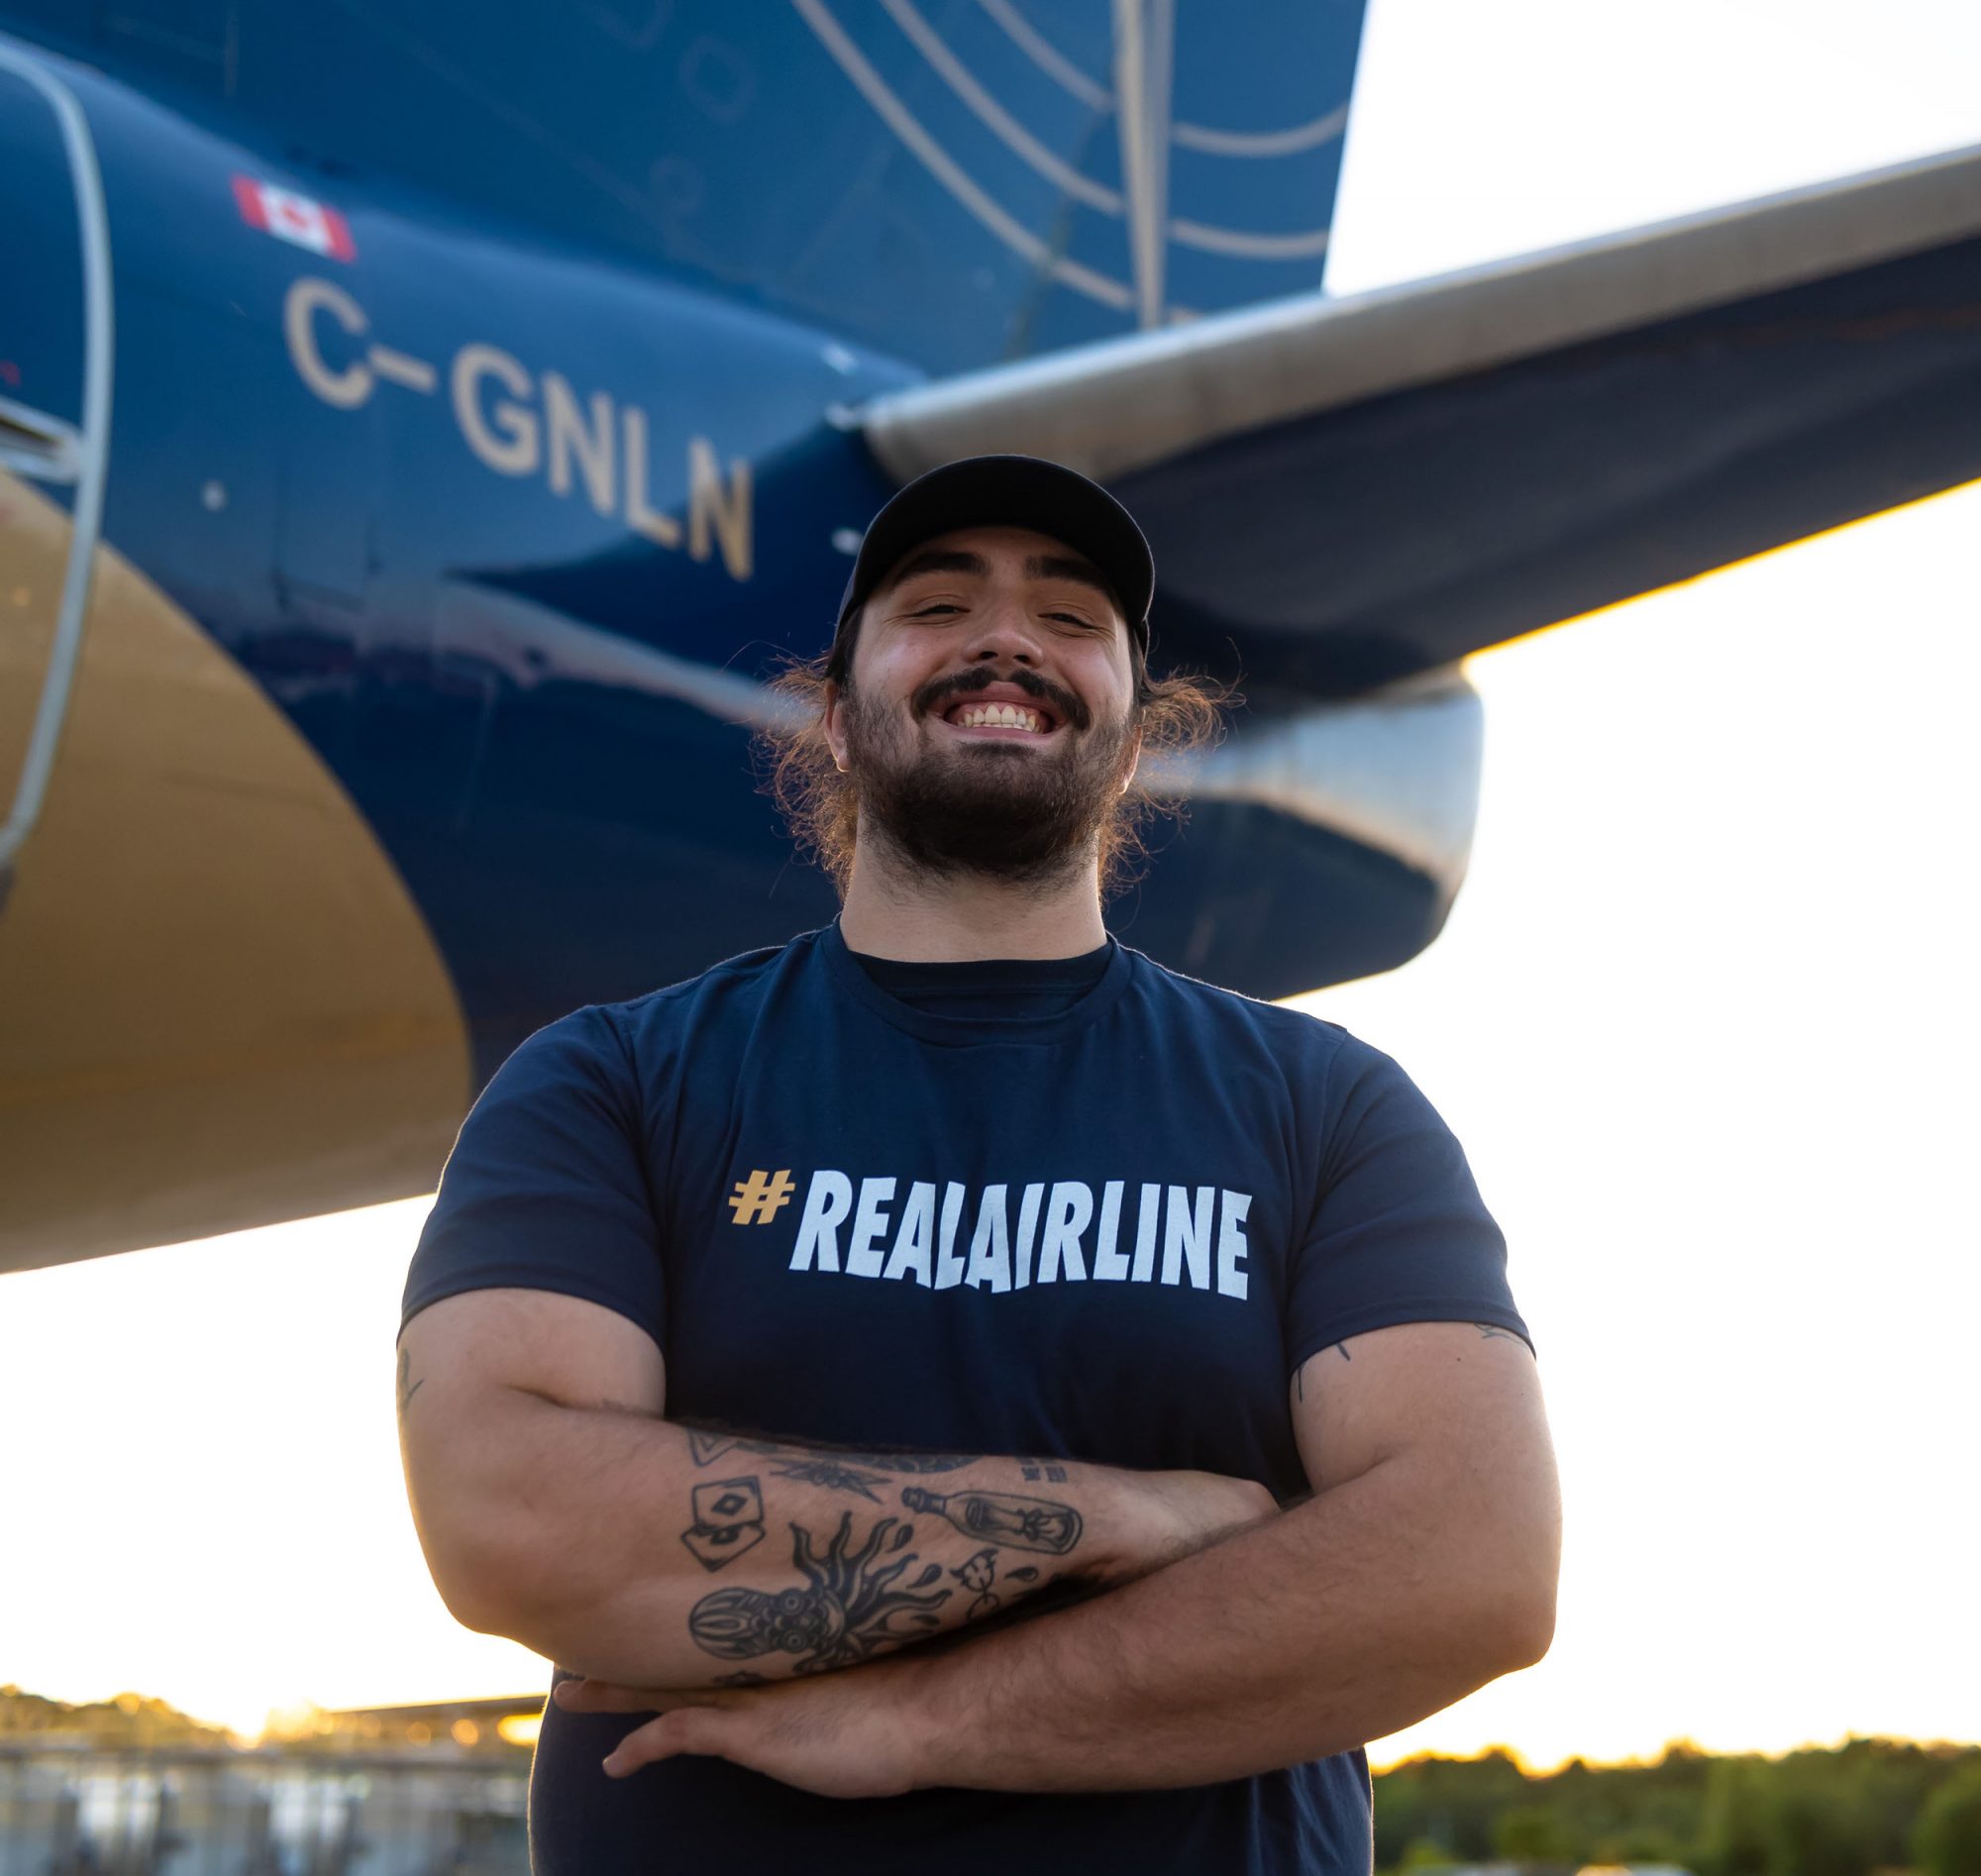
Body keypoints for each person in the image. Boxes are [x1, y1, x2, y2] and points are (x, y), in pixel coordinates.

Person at [395, 454, 1561, 1876]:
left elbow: (1474, 1564)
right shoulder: (611, 1084)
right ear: (832, 715)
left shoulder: (1326, 1109)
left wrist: (921, 1719)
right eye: (937, 603)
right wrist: (1131, 1514)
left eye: (1072, 619)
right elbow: (512, 1522)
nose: (1005, 635)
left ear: (1135, 735)